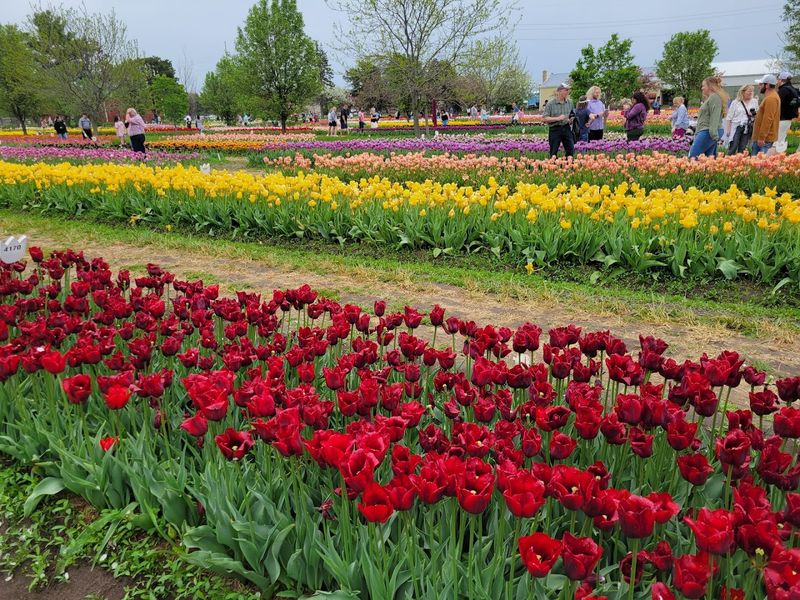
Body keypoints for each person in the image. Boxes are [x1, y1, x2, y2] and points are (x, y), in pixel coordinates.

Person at [689, 76, 729, 159]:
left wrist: (714, 135)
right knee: (708, 159)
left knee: (693, 156)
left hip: (708, 131)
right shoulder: (711, 98)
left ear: (710, 86)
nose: (702, 88)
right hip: (709, 131)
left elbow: (715, 117)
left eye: (703, 85)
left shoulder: (714, 98)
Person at [541, 83, 575, 158]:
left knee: (570, 149)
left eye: (568, 90)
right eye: (565, 90)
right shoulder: (551, 104)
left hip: (566, 128)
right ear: (559, 91)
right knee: (553, 151)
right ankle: (553, 166)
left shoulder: (570, 102)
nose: (567, 92)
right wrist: (558, 118)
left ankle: (568, 166)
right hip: (555, 129)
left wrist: (571, 119)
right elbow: (544, 118)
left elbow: (572, 114)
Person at [723, 85, 759, 154]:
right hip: (736, 126)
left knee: (743, 147)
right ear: (743, 92)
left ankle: (740, 161)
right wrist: (728, 129)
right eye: (749, 91)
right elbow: (729, 117)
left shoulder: (754, 101)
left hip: (747, 126)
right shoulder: (736, 102)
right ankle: (729, 161)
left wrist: (753, 114)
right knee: (734, 145)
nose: (751, 93)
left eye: (752, 91)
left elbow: (758, 113)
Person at [751, 74, 781, 155]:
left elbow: (768, 119)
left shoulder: (771, 98)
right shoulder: (770, 97)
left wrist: (761, 137)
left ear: (767, 85)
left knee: (759, 165)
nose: (759, 86)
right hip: (764, 138)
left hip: (764, 139)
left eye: (761, 84)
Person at [775, 71, 799, 153]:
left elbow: (777, 105)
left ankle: (779, 159)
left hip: (782, 119)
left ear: (781, 80)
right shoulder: (794, 90)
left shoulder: (783, 90)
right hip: (791, 119)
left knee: (779, 141)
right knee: (785, 140)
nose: (777, 81)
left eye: (778, 79)